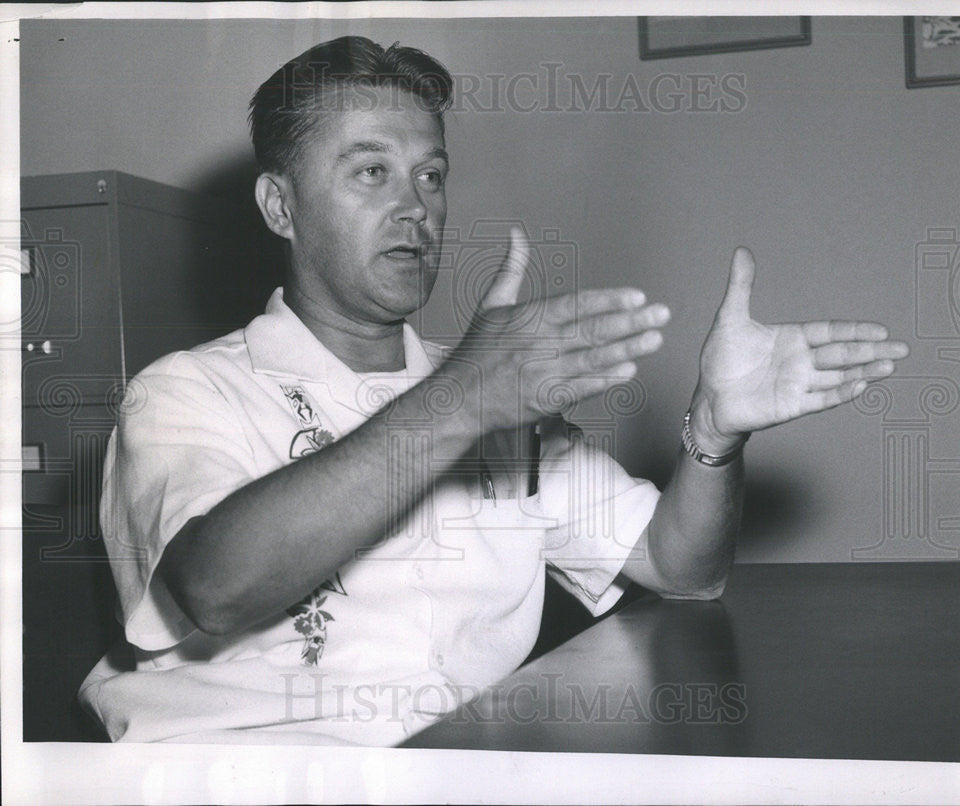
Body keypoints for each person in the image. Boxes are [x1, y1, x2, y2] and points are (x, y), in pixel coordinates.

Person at [78, 36, 909, 746]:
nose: (415, 208)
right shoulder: (186, 393)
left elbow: (679, 567)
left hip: (459, 766)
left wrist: (714, 432)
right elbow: (215, 588)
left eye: (432, 176)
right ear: (279, 206)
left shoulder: (492, 386)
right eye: (371, 171)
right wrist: (464, 399)